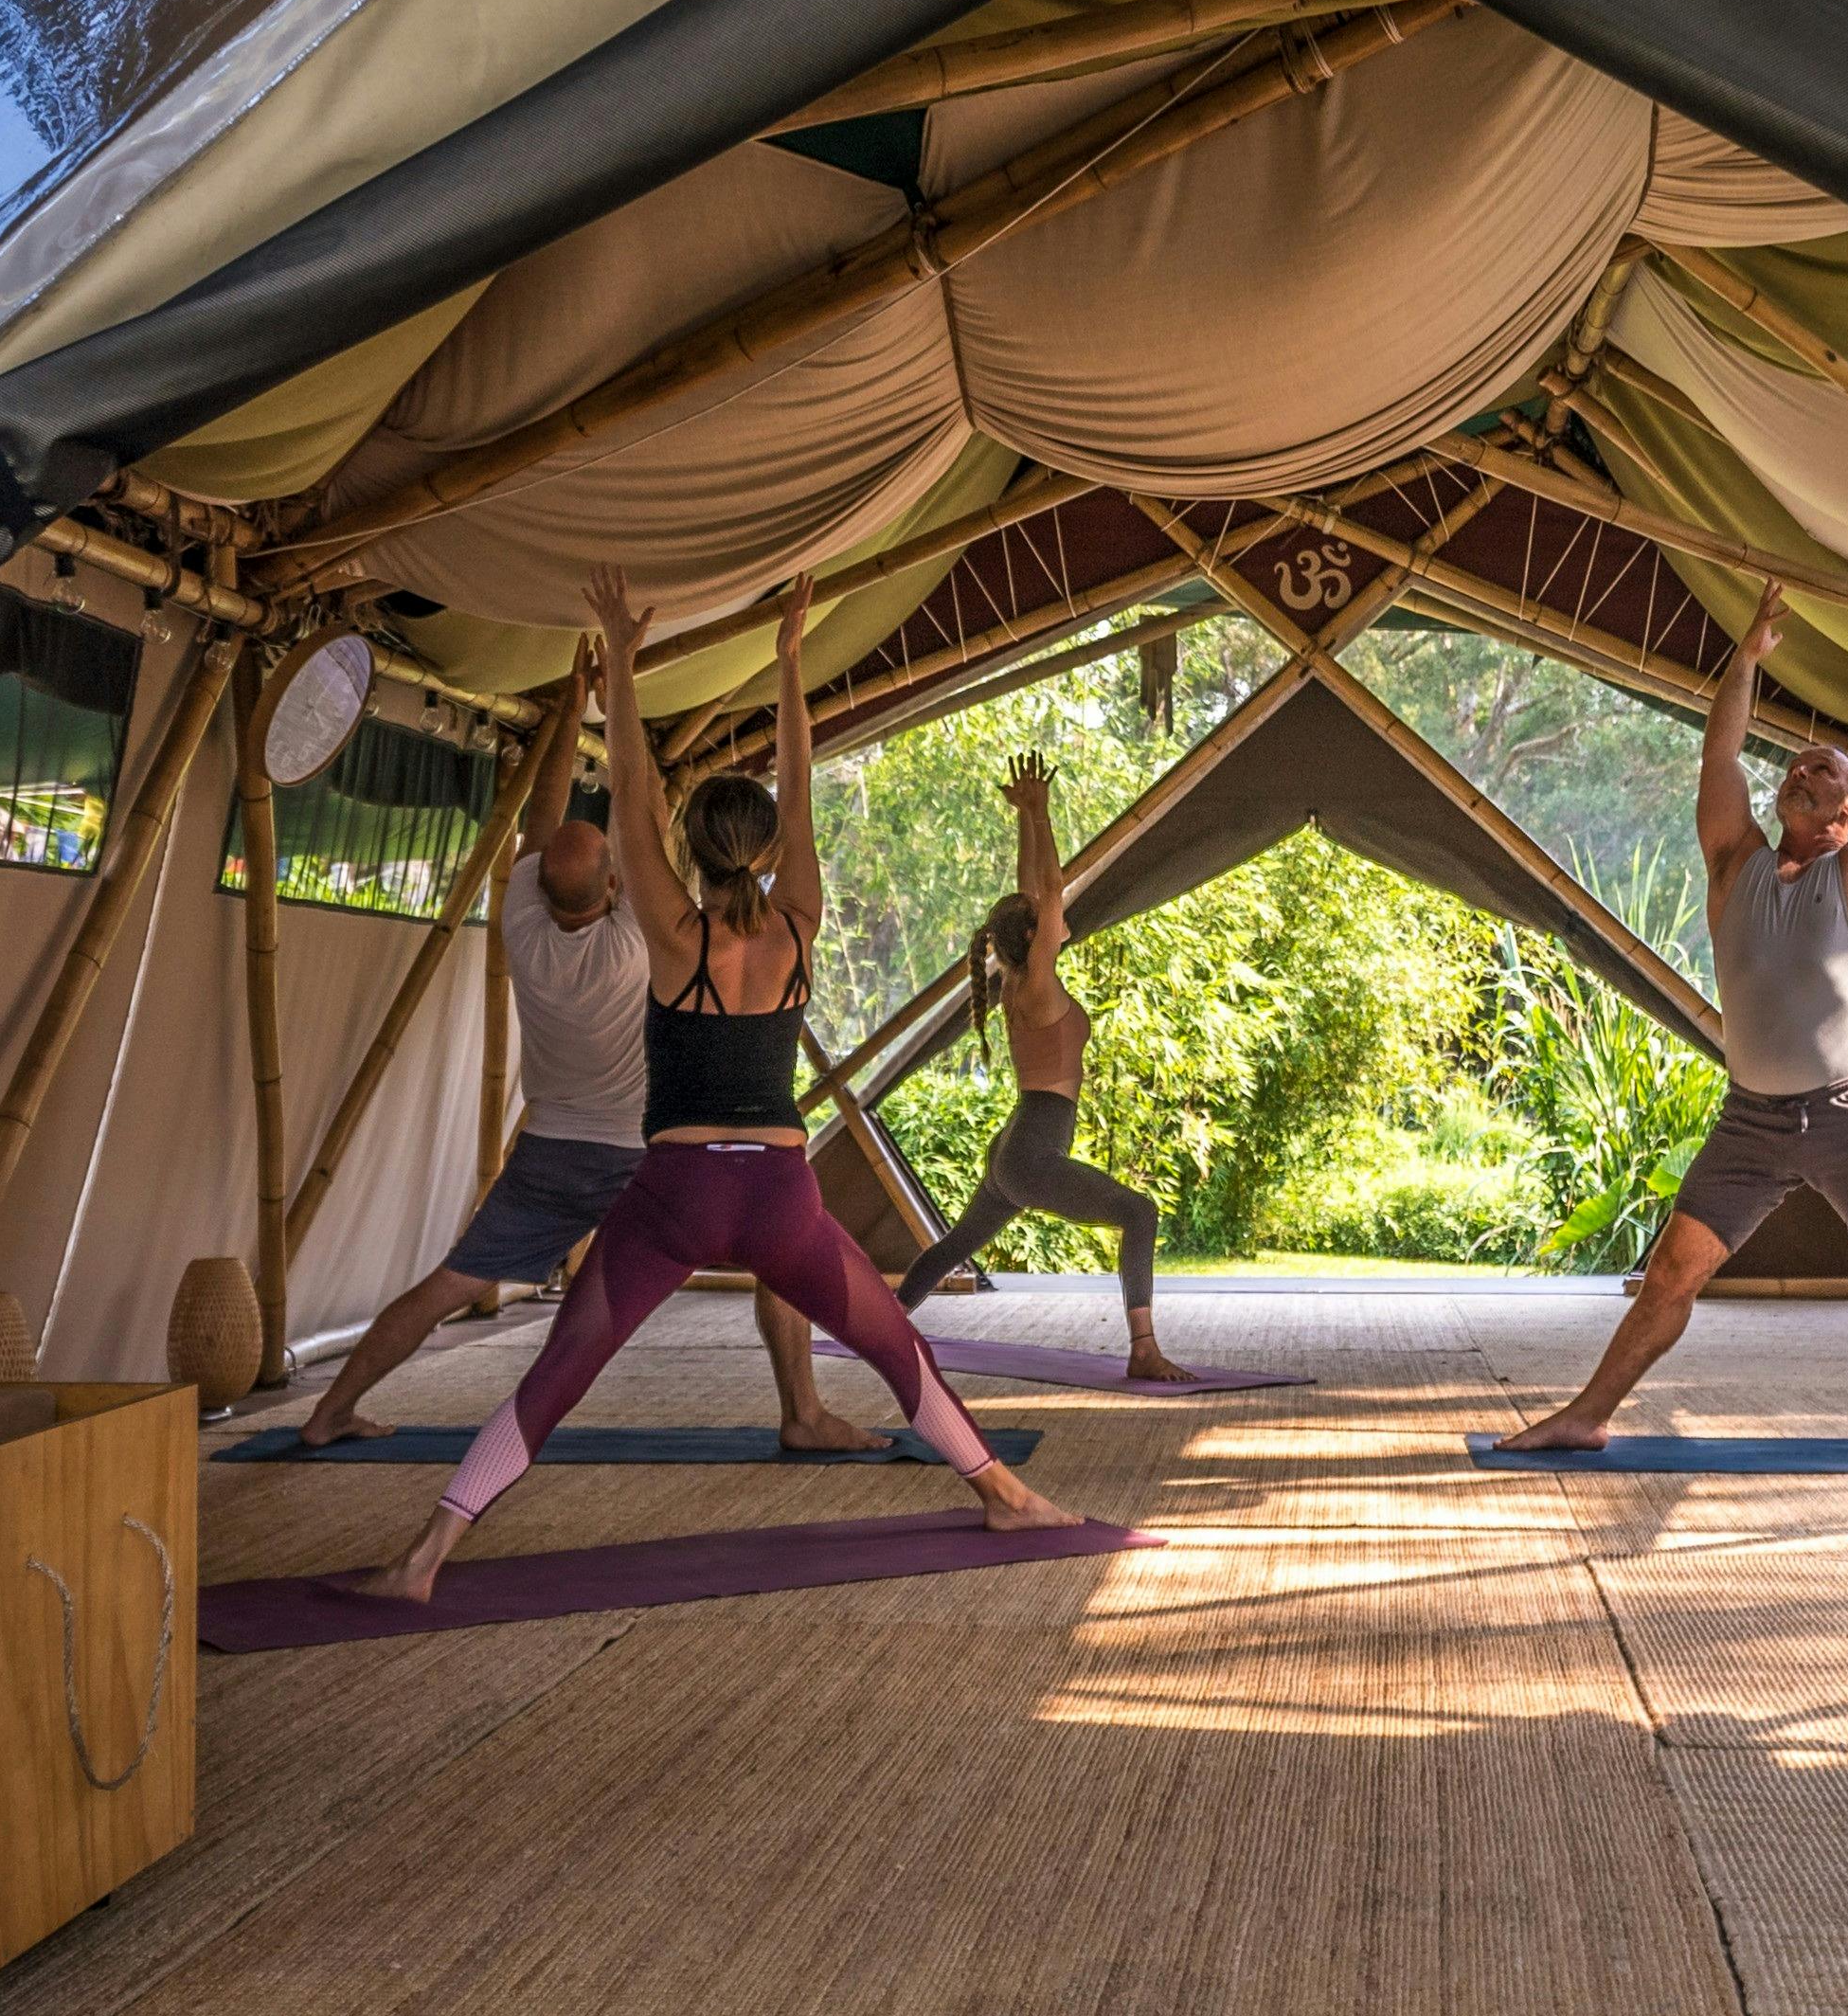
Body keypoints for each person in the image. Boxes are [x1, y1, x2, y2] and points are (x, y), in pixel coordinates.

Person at [357, 568, 1080, 1601]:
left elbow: (636, 796)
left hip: (676, 1196)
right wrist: (790, 662)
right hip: (781, 1194)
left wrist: (620, 656)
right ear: (773, 852)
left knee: (557, 1375)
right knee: (892, 1345)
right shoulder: (797, 921)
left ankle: (424, 1558)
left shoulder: (672, 929)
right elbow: (801, 778)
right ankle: (1004, 1492)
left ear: (689, 855)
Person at [296, 622, 884, 1456]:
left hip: (551, 1150)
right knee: (777, 1257)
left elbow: (554, 827)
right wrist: (607, 700)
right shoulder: (650, 939)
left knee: (452, 1282)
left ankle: (331, 1409)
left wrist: (577, 706)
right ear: (616, 886)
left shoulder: (525, 925)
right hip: (655, 1157)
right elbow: (636, 804)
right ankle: (802, 1409)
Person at [1500, 582, 1848, 1463]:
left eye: (1824, 768)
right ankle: (1588, 1413)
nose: (1803, 772)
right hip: (1751, 1119)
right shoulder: (1733, 862)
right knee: (1673, 1271)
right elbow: (1720, 757)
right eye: (1797, 764)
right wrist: (1743, 659)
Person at [895, 754, 1191, 1379]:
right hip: (1029, 1152)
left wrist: (1029, 816)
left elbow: (1036, 894)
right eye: (1045, 925)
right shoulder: (1034, 985)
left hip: (1019, 1144)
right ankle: (1143, 1350)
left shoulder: (1018, 979)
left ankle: (885, 1325)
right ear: (1035, 939)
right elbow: (1050, 892)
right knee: (1139, 1214)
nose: (1056, 918)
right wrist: (1045, 815)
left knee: (955, 1245)